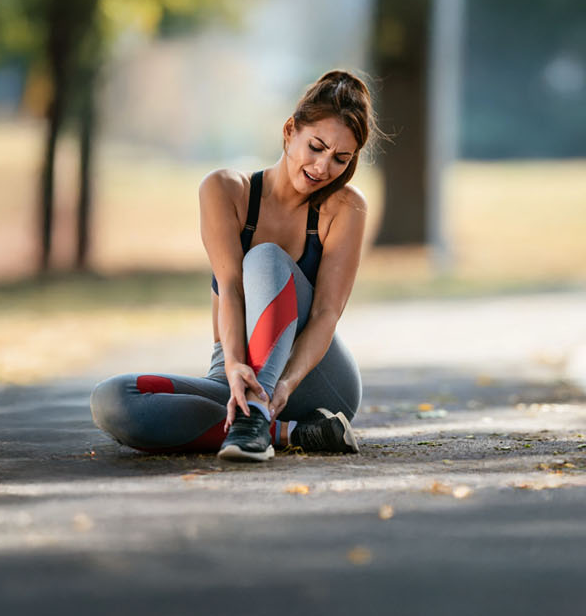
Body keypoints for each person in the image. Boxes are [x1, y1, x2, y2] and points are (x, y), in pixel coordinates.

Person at [90, 70, 375, 462]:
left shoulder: (344, 207)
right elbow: (231, 286)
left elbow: (328, 313)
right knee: (113, 401)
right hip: (235, 369)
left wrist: (282, 386)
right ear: (290, 130)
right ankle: (289, 432)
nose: (323, 168)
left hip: (313, 380)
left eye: (340, 158)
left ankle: (258, 415)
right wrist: (237, 367)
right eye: (317, 147)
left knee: (265, 257)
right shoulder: (226, 190)